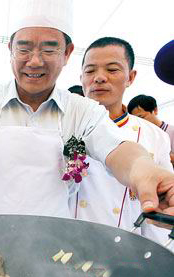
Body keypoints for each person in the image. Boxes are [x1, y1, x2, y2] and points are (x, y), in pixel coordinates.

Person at [0, 0, 174, 224]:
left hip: (52, 252)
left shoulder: (82, 111)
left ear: (67, 54)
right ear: (11, 50)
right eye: (24, 48)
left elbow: (119, 149)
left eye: (49, 49)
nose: (35, 61)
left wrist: (144, 170)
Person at [71, 37, 173, 248]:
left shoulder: (154, 136)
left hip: (126, 252)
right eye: (90, 71)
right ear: (81, 78)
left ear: (131, 77)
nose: (99, 78)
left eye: (112, 69)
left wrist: (158, 256)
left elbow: (159, 211)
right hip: (66, 246)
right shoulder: (63, 126)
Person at [127, 94, 174, 164]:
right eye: (136, 120)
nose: (140, 122)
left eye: (142, 117)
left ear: (155, 110)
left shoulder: (171, 132)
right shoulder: (140, 136)